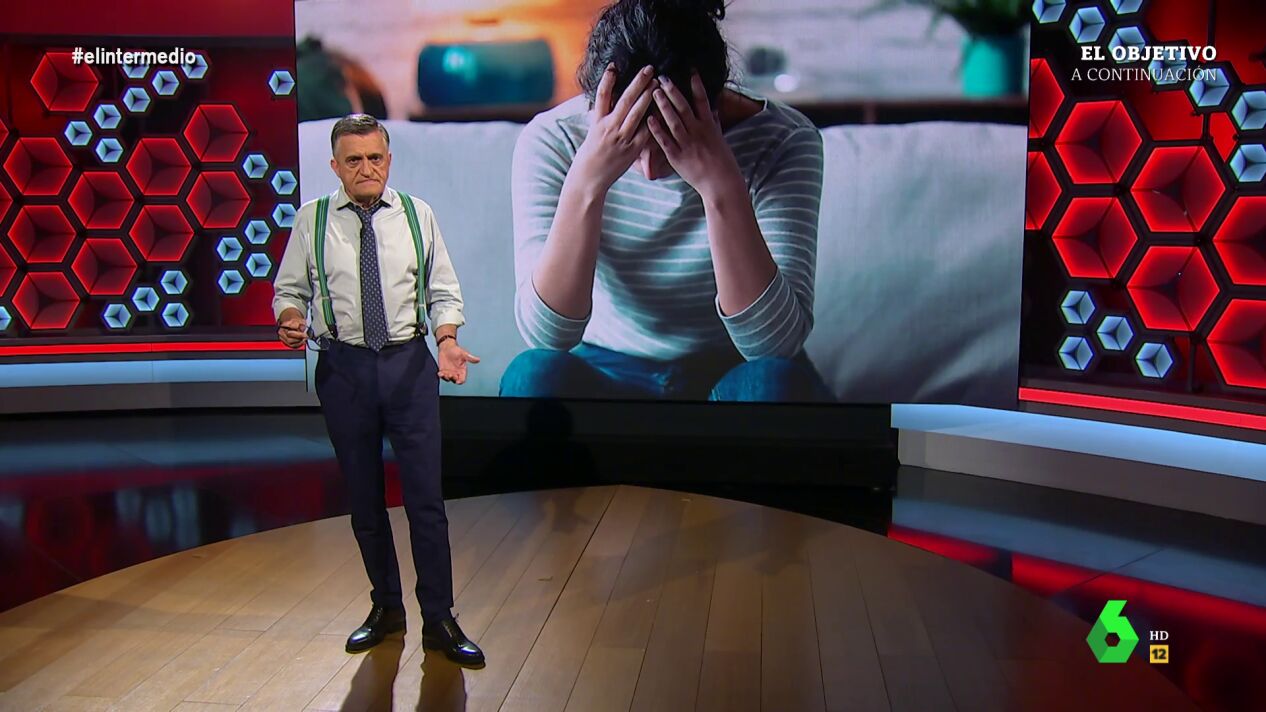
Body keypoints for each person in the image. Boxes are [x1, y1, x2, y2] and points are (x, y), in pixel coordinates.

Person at [500, 0, 833, 403]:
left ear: (713, 105)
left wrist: (721, 187)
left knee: (772, 383)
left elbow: (774, 344)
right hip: (607, 365)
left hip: (735, 367)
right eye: (631, 139)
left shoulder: (784, 141)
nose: (650, 170)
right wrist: (586, 184)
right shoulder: (554, 140)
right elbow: (547, 337)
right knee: (531, 376)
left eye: (669, 137)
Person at [272, 114, 485, 667]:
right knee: (365, 500)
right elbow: (289, 290)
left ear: (388, 160)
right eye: (354, 160)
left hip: (407, 366)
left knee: (426, 502)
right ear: (335, 166)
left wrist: (447, 340)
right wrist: (290, 316)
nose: (366, 168)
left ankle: (439, 617)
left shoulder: (417, 214)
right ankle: (386, 607)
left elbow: (444, 290)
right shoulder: (312, 219)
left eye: (375, 158)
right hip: (342, 370)